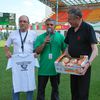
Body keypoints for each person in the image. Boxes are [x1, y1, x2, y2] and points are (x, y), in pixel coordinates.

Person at [64, 7, 98, 100]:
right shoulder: (70, 30)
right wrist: (64, 58)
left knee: (82, 94)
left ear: (78, 18)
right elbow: (67, 47)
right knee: (74, 92)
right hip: (73, 64)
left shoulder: (88, 28)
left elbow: (95, 50)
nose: (68, 21)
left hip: (84, 66)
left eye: (70, 19)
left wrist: (87, 64)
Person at [4, 15, 38, 100]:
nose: (22, 23)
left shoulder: (33, 34)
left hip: (29, 62)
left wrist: (36, 53)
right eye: (20, 21)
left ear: (28, 23)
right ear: (18, 23)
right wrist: (7, 52)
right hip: (17, 62)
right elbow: (6, 45)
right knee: (16, 82)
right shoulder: (13, 33)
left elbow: (37, 48)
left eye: (24, 21)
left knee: (29, 82)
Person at [34, 18, 66, 100]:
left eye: (51, 25)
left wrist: (62, 61)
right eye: (47, 24)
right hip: (43, 69)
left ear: (55, 26)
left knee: (55, 90)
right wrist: (44, 42)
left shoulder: (61, 37)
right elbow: (37, 52)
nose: (49, 26)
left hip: (56, 69)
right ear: (45, 26)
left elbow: (65, 51)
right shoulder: (40, 37)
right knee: (41, 90)